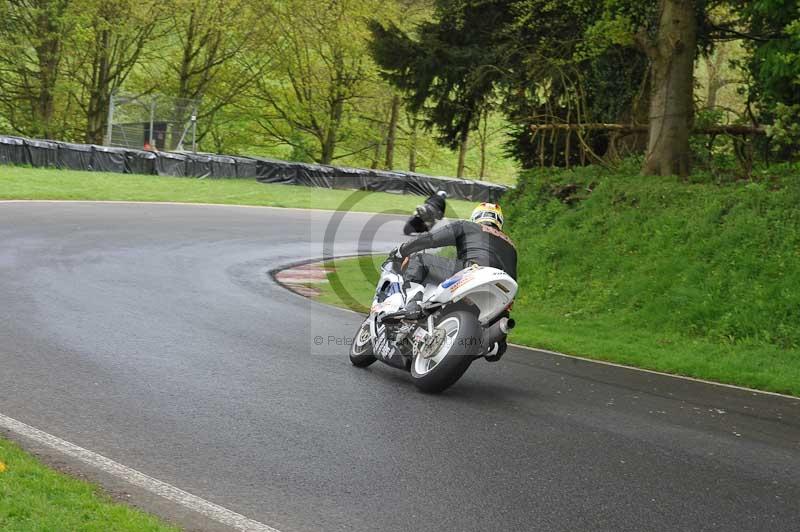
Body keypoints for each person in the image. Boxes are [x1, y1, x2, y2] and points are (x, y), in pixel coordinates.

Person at [392, 202, 517, 288]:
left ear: (476, 216)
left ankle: (412, 305)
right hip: (501, 287)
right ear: (499, 222)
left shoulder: (467, 226)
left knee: (419, 260)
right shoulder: (511, 245)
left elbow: (432, 239)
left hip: (472, 271)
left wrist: (402, 250)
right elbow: (512, 278)